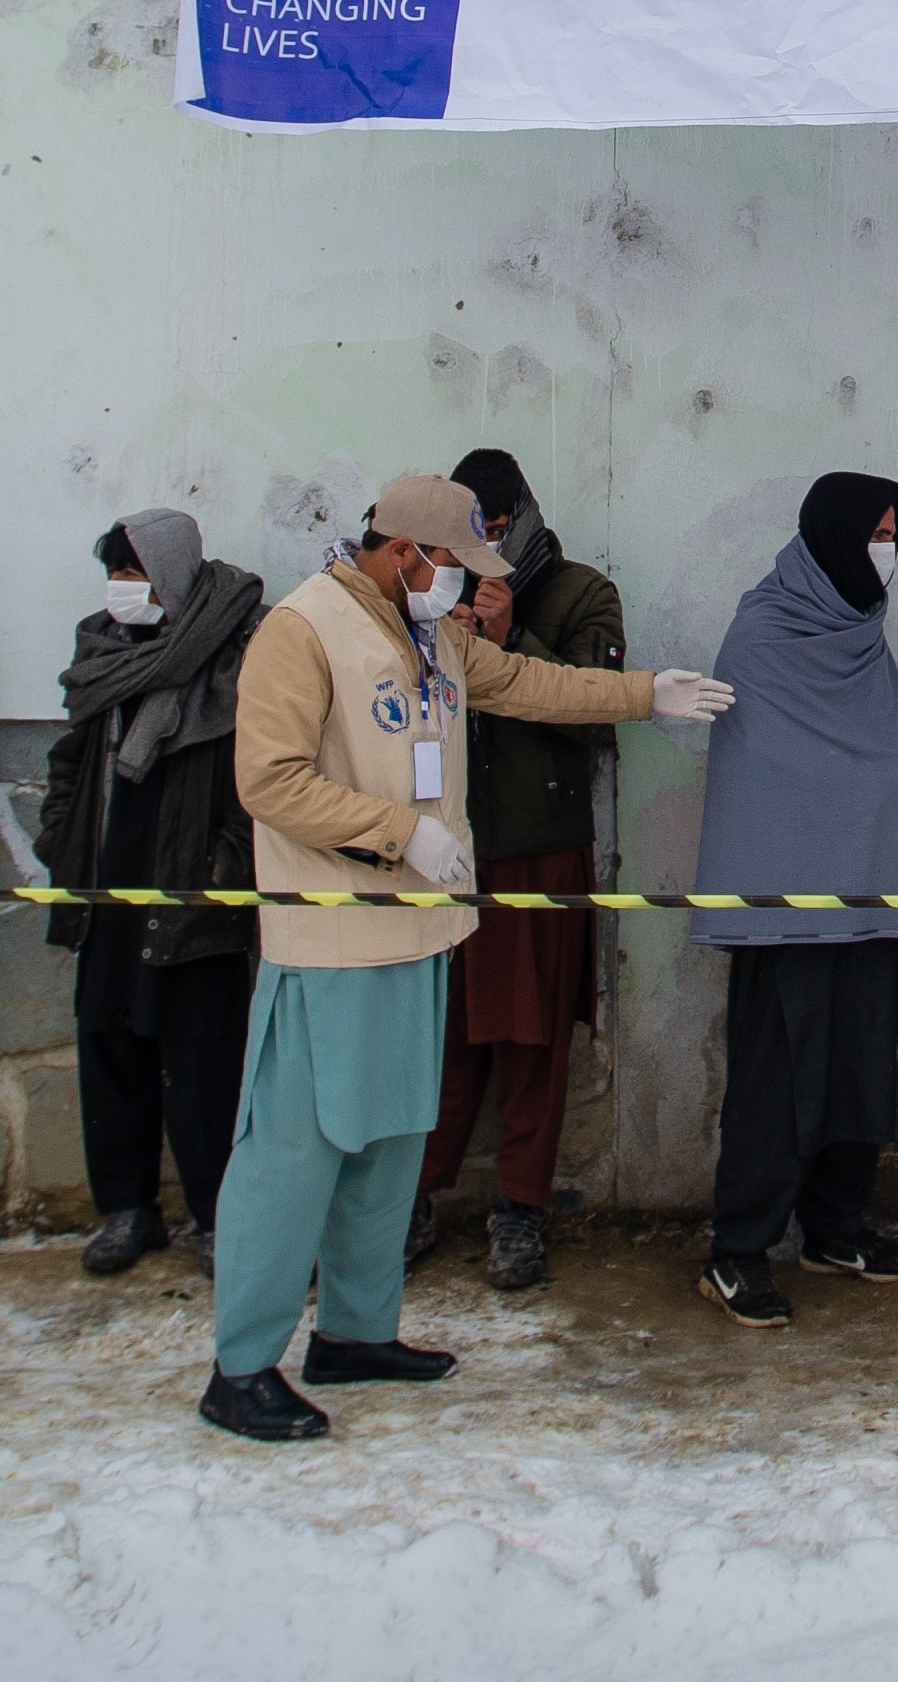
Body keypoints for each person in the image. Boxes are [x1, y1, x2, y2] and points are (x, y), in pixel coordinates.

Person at [199, 474, 732, 1443]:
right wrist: (395, 833)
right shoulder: (303, 629)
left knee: (390, 1145)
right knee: (293, 1155)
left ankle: (355, 1335)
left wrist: (642, 694)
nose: (461, 588)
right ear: (405, 552)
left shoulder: (429, 635)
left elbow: (529, 683)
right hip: (330, 942)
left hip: (418, 935)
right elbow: (266, 779)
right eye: (452, 565)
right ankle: (240, 1365)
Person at [690, 472, 898, 1328]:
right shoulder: (763, 636)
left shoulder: (864, 640)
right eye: (874, 532)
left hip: (867, 898)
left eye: (894, 532)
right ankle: (738, 1250)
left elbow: (883, 772)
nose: (886, 549)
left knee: (859, 1074)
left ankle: (836, 1227)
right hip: (786, 912)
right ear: (832, 536)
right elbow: (762, 774)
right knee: (776, 1082)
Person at [409, 448, 627, 1293]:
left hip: (539, 848)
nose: (481, 551)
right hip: (443, 845)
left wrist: (511, 638)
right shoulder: (427, 589)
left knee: (531, 1040)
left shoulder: (581, 593)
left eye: (495, 532)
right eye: (468, 536)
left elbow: (596, 714)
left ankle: (521, 1210)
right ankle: (413, 1201)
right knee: (443, 1035)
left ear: (522, 520)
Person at [39, 509, 264, 1276]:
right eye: (115, 574)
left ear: (172, 576)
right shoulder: (102, 650)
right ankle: (128, 1209)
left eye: (135, 574)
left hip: (196, 894)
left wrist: (224, 872)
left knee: (204, 1064)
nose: (121, 590)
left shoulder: (238, 650)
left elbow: (258, 774)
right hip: (109, 882)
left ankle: (216, 1214)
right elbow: (70, 760)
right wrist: (58, 842)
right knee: (110, 1047)